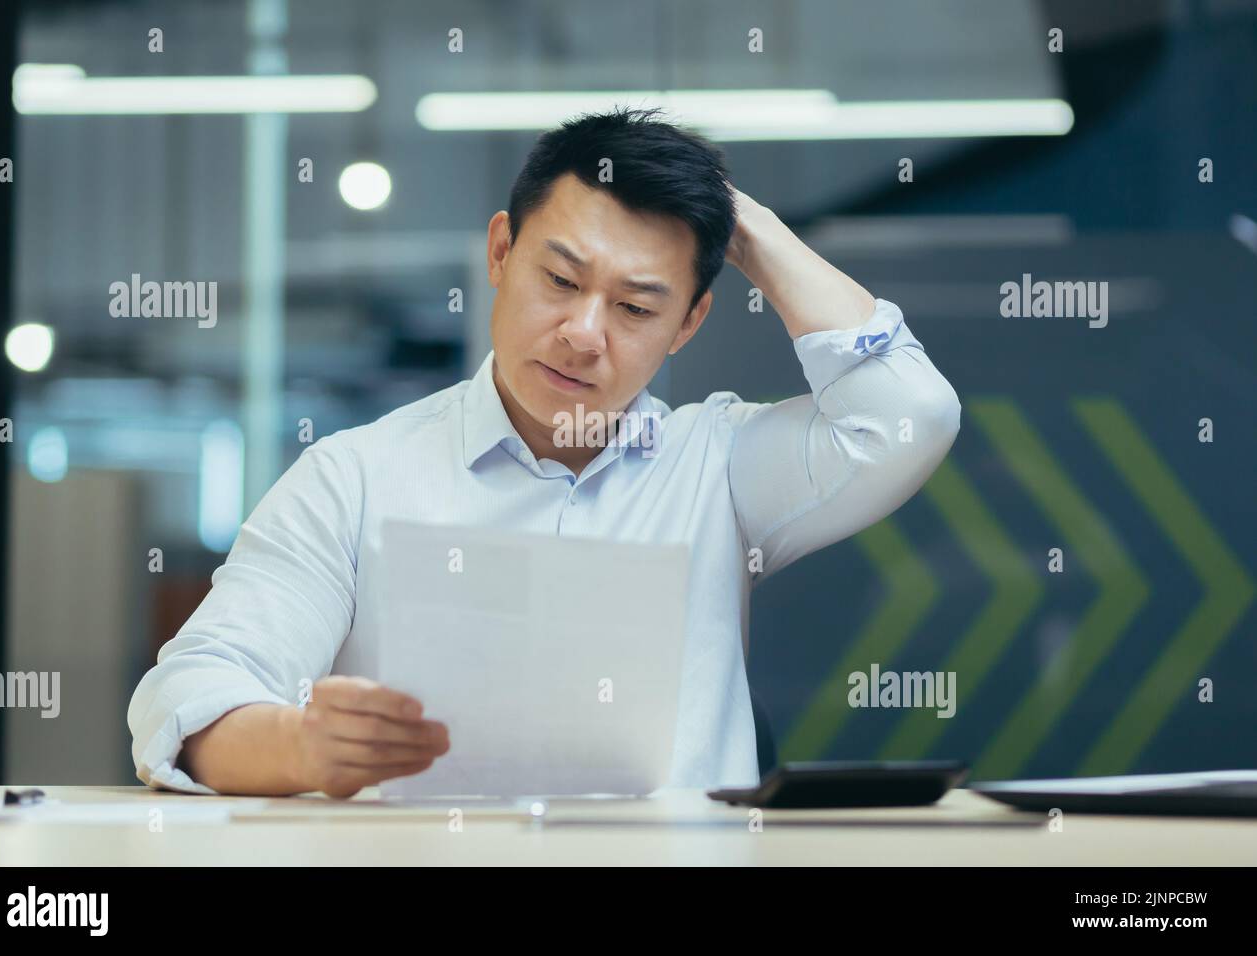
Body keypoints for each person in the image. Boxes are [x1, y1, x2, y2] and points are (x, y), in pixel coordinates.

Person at [127, 107, 961, 798]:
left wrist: (753, 232)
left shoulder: (720, 468)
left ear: (690, 323)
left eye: (637, 308)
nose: (583, 335)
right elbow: (189, 695)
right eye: (560, 282)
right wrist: (301, 747)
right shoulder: (356, 476)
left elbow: (908, 417)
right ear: (500, 252)